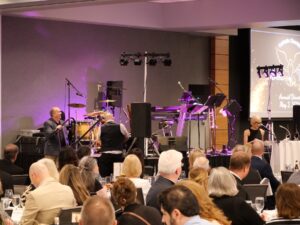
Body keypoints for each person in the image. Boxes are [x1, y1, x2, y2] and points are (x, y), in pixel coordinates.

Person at [96, 112, 130, 177]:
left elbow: (97, 140)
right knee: (118, 176)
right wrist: (120, 142)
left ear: (105, 119)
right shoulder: (121, 126)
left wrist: (103, 144)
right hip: (118, 155)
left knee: (105, 176)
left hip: (106, 155)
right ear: (113, 118)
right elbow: (127, 137)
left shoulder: (101, 128)